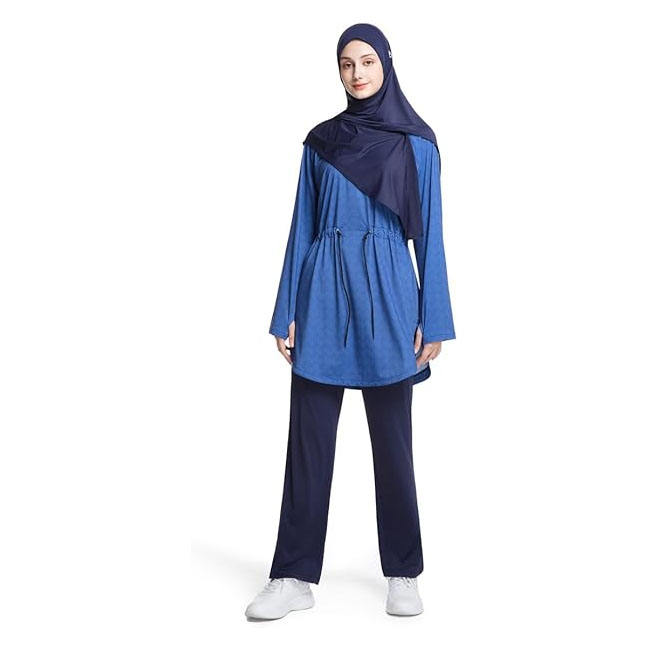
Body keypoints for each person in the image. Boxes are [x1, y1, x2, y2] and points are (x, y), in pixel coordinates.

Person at [245, 23, 456, 620]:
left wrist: (433, 317)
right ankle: (292, 575)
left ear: (386, 63)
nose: (357, 73)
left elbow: (431, 236)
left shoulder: (417, 145)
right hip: (323, 294)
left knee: (393, 445)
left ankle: (403, 571)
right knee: (308, 444)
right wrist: (286, 309)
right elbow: (302, 227)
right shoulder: (320, 143)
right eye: (346, 63)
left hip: (390, 295)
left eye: (366, 61)